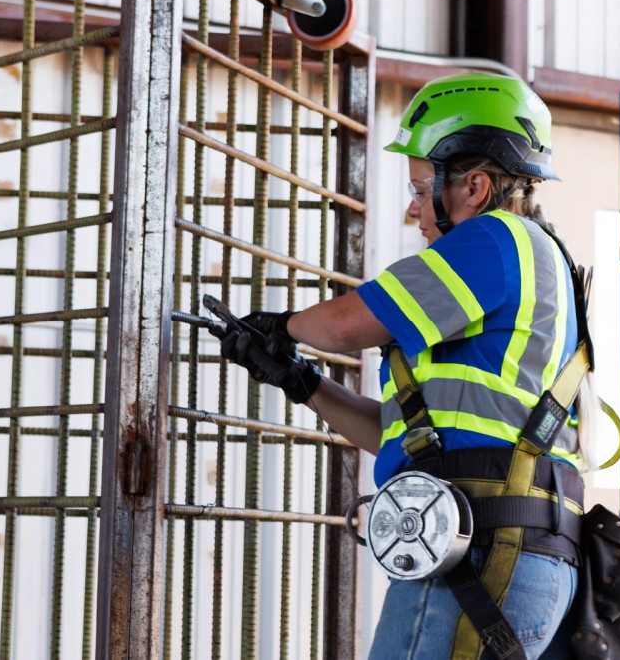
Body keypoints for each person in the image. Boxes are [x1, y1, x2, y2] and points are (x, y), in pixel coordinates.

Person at [213, 72, 598, 660]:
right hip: (516, 549)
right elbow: (408, 438)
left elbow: (345, 325)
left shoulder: (496, 239)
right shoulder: (540, 261)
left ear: (474, 186)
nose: (413, 208)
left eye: (422, 187)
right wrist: (303, 382)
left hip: (484, 555)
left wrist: (280, 323)